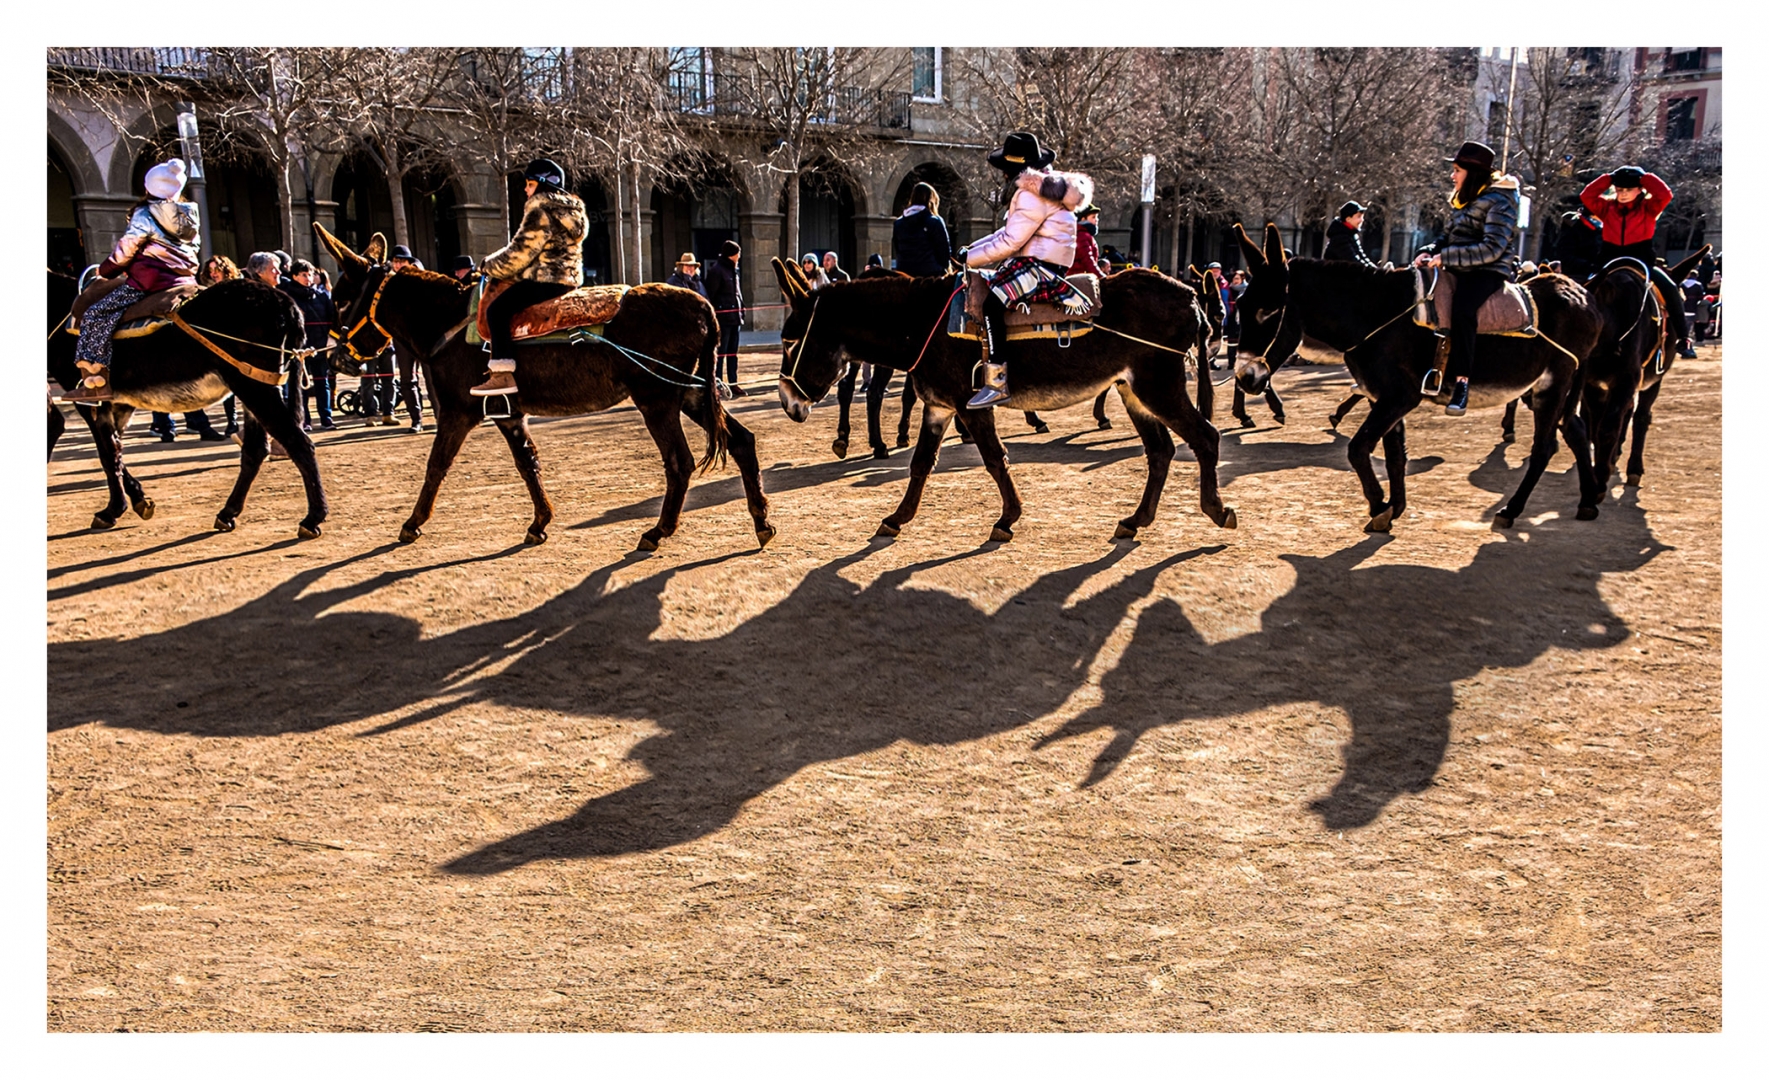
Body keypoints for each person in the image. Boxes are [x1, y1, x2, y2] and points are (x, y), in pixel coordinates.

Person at [962, 131, 1093, 407]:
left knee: (991, 305)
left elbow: (1011, 241)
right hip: (1046, 261)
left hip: (1038, 265)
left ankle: (997, 382)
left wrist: (968, 260)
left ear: (1012, 170)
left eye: (1004, 170)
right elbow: (1008, 233)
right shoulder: (1047, 188)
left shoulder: (1030, 194)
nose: (1002, 175)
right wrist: (970, 251)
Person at [68, 159, 201, 403]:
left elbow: (126, 249)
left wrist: (106, 271)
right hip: (184, 280)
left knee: (96, 314)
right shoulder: (189, 215)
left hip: (148, 282)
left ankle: (96, 383)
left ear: (149, 186)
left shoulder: (144, 213)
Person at [1412, 140, 1519, 417]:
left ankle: (1461, 384)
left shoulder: (1501, 201)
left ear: (1473, 173)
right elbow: (1447, 237)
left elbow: (1493, 248)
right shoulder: (1466, 198)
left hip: (1488, 271)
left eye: (1457, 170)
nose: (1452, 176)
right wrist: (1428, 250)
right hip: (1456, 265)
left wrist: (1446, 257)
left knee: (1462, 309)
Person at [472, 158, 586, 396]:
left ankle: (502, 374)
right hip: (568, 282)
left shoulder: (540, 210)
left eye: (530, 184)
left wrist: (487, 266)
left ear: (544, 185)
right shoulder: (572, 213)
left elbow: (519, 254)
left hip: (544, 281)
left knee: (496, 311)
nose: (526, 189)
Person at [1581, 164, 1691, 355]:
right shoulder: (1606, 208)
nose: (1623, 194)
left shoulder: (1649, 208)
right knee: (1584, 289)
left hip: (1640, 257)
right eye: (1619, 189)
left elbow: (1665, 195)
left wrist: (1644, 177)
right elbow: (1587, 196)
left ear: (1640, 190)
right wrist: (1609, 178)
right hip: (1609, 257)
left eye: (1628, 189)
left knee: (1670, 288)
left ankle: (1683, 338)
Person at [282, 258, 338, 430]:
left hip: (320, 346)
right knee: (301, 386)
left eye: (310, 274)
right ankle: (304, 419)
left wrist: (331, 338)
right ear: (294, 276)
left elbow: (333, 318)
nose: (308, 278)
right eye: (304, 275)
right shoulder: (288, 297)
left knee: (323, 383)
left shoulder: (322, 296)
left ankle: (326, 418)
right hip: (298, 349)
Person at [704, 240, 744, 397]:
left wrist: (742, 309)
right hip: (723, 319)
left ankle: (733, 383)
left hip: (735, 318)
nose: (739, 256)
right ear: (731, 254)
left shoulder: (734, 270)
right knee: (720, 354)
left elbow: (737, 293)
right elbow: (711, 294)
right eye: (738, 253)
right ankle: (718, 384)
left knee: (733, 353)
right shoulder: (717, 270)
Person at [1554, 208, 1604, 282]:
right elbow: (1565, 256)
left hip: (1600, 272)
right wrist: (1590, 266)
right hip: (1579, 275)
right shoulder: (1574, 227)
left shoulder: (1604, 228)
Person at [1324, 200, 1377, 267]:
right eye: (1359, 217)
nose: (1362, 220)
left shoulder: (1352, 235)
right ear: (1348, 219)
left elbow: (1362, 257)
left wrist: (1376, 270)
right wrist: (1373, 271)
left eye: (1362, 217)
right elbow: (1353, 261)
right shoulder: (1339, 238)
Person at [1071, 203, 1104, 277]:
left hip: (1080, 275)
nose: (1097, 220)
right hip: (1080, 277)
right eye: (1093, 217)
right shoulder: (1082, 235)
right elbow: (1088, 261)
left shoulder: (1084, 234)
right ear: (1083, 219)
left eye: (1097, 217)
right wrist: (1101, 277)